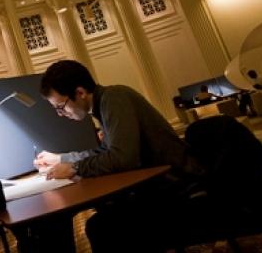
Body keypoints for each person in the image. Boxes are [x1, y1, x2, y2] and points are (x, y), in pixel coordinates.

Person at [33, 60, 201, 252]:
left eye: (60, 107)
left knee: (101, 227)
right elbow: (105, 152)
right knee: (104, 215)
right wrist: (61, 159)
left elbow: (123, 158)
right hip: (160, 186)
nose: (60, 114)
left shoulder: (114, 98)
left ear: (80, 93)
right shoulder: (104, 105)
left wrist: (75, 167)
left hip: (178, 188)